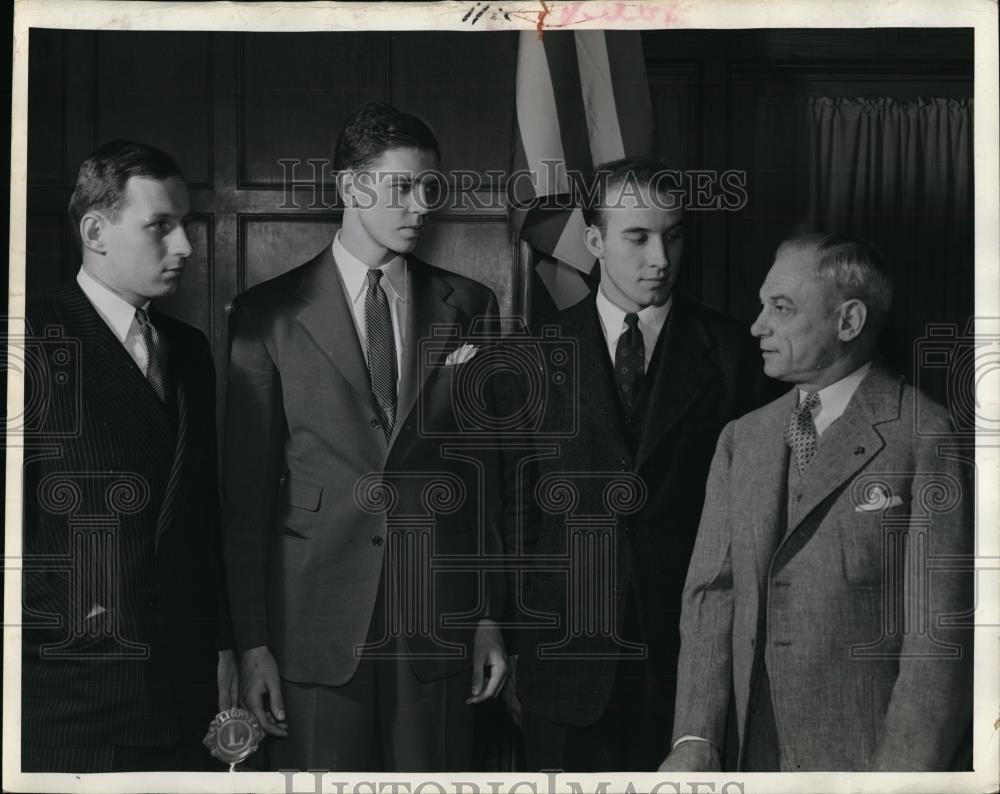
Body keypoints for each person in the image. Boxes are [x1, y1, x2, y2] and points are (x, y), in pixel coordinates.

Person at [222, 101, 508, 772]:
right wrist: (252, 643)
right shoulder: (267, 315)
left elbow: (485, 480)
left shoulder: (470, 307)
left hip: (435, 621)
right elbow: (244, 501)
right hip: (312, 626)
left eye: (428, 188)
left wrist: (491, 616)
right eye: (402, 187)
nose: (421, 205)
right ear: (351, 188)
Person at [660, 233, 973, 772]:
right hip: (749, 763)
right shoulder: (744, 439)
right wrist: (694, 738)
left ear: (848, 322)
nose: (757, 325)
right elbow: (711, 599)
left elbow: (939, 634)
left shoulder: (925, 435)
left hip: (866, 764)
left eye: (780, 308)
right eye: (762, 306)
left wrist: (901, 779)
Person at [503, 157, 769, 772]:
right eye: (638, 237)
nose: (661, 258)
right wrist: (520, 637)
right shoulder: (533, 356)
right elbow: (514, 513)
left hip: (685, 664)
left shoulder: (734, 353)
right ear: (594, 241)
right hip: (563, 662)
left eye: (673, 235)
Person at [21, 140, 237, 773]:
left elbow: (201, 516)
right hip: (71, 696)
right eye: (160, 226)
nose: (186, 248)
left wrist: (222, 643)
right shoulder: (30, 342)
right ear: (95, 230)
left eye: (186, 225)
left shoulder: (189, 349)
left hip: (184, 691)